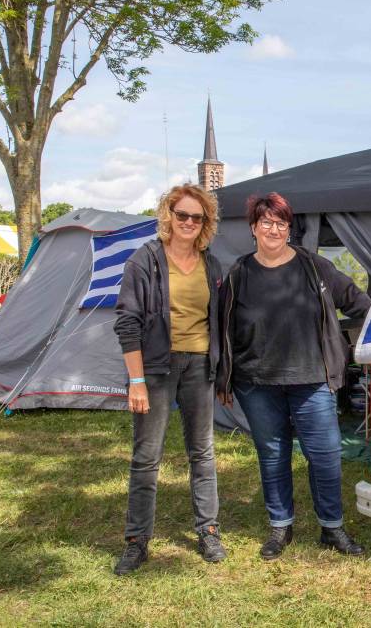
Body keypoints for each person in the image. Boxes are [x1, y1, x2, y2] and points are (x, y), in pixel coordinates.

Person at [217, 192, 371, 560]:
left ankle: (331, 528)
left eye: (281, 223)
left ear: (289, 228)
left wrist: (365, 339)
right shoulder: (239, 273)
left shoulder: (315, 267)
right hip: (256, 383)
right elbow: (223, 329)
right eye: (266, 222)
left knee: (326, 455)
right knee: (272, 454)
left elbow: (358, 302)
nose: (274, 229)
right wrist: (224, 376)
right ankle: (280, 526)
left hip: (312, 379)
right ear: (254, 228)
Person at [112, 184, 226, 575]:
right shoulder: (145, 261)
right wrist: (137, 381)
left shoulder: (211, 265)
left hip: (198, 366)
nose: (189, 223)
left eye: (198, 217)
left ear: (205, 222)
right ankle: (137, 540)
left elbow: (220, 320)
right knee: (147, 457)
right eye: (183, 216)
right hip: (157, 368)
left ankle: (208, 530)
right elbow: (127, 322)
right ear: (169, 217)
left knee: (203, 453)